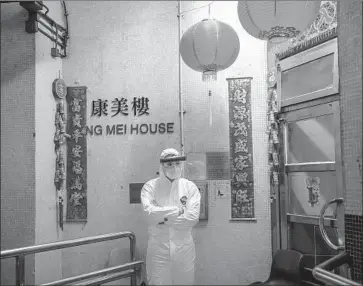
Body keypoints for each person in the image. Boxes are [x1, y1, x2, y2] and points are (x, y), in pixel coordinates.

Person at [140, 148, 201, 285]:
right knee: (158, 282)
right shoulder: (150, 187)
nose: (174, 167)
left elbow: (192, 218)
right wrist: (177, 211)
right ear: (161, 165)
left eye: (177, 163)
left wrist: (162, 219)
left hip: (184, 247)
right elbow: (149, 215)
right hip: (158, 248)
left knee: (185, 282)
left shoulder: (190, 187)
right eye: (169, 163)